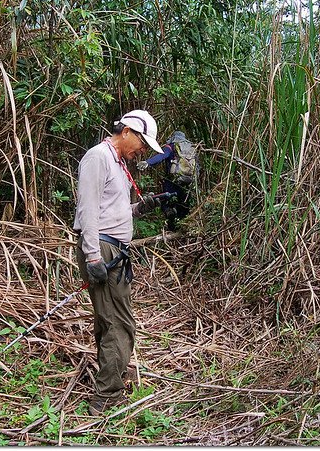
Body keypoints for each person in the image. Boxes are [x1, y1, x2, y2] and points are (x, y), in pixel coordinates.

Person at [73, 109, 163, 415]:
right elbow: (87, 209)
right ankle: (106, 396)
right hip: (104, 250)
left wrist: (139, 208)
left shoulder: (118, 162)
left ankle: (108, 379)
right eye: (141, 143)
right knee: (120, 323)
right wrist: (93, 256)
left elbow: (112, 209)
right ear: (127, 131)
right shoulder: (98, 157)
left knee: (109, 318)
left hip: (113, 250)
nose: (142, 150)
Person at [136, 130, 196, 230]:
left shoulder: (172, 146)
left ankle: (171, 223)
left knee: (166, 201)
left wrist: (147, 162)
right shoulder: (191, 148)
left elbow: (162, 155)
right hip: (187, 183)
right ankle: (182, 229)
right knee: (183, 205)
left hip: (172, 182)